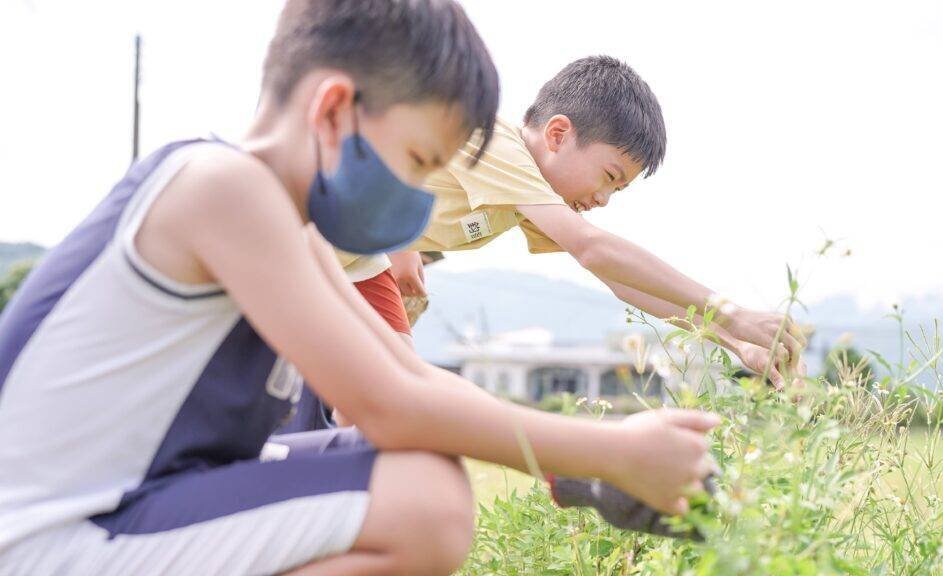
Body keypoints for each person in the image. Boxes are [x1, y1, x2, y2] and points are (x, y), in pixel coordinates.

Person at [0, 1, 720, 574]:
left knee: (415, 476)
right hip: (49, 535)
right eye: (416, 161)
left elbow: (409, 374)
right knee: (425, 505)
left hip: (126, 506)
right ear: (334, 109)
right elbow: (390, 406)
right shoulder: (223, 189)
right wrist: (614, 455)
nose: (414, 201)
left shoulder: (296, 233)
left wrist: (586, 459)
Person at [383, 56, 807, 385]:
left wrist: (736, 342)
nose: (604, 200)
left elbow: (621, 280)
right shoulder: (494, 142)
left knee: (384, 389)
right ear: (557, 134)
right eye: (608, 177)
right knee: (389, 390)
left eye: (617, 191)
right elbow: (593, 249)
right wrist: (731, 312)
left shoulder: (527, 195)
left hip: (357, 265)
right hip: (326, 245)